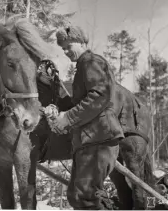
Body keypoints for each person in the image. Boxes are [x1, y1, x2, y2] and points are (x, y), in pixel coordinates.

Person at [48, 26, 125, 210]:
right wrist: (58, 113)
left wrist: (67, 118)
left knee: (86, 196)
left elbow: (99, 96)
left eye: (68, 46)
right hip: (87, 142)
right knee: (76, 196)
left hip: (99, 139)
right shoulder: (82, 67)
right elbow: (82, 106)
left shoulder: (90, 61)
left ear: (82, 42)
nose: (66, 52)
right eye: (63, 49)